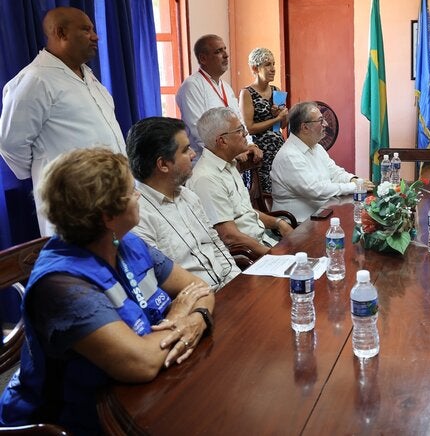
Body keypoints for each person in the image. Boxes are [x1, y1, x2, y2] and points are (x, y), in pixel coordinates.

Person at [0, 148, 215, 433]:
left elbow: (199, 288)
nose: (138, 195)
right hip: (68, 422)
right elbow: (142, 363)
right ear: (107, 215)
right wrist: (180, 315)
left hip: (147, 393)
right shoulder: (61, 286)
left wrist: (195, 318)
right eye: (130, 192)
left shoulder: (126, 243)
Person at [0, 6, 125, 235]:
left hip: (112, 196)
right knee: (80, 267)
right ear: (61, 33)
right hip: (71, 202)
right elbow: (10, 145)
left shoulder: (89, 76)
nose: (95, 36)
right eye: (86, 30)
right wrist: (49, 170)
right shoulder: (35, 80)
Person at [126, 117, 239, 289]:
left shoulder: (188, 196)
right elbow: (158, 284)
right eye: (186, 150)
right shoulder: (138, 217)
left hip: (228, 289)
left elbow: (216, 246)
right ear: (163, 164)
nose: (194, 154)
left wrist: (237, 283)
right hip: (198, 304)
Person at [187, 107, 293, 256]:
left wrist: (278, 223)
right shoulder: (206, 178)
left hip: (264, 239)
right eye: (239, 130)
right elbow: (229, 236)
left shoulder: (229, 164)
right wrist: (272, 255)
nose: (246, 134)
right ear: (222, 141)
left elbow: (244, 211)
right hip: (249, 254)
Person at [270, 102, 375, 222]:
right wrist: (355, 187)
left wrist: (353, 180)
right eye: (320, 121)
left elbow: (334, 172)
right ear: (305, 127)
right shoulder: (289, 156)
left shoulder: (316, 147)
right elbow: (316, 190)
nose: (326, 124)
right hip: (297, 224)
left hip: (321, 214)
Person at [177, 34, 253, 157]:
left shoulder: (226, 87)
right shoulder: (192, 86)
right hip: (207, 161)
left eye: (225, 49)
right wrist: (228, 153)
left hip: (230, 158)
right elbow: (198, 129)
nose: (226, 55)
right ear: (203, 59)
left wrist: (249, 144)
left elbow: (239, 121)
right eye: (218, 51)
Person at [239, 47, 288, 193]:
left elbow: (283, 125)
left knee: (280, 190)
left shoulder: (276, 90)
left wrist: (284, 115)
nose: (273, 69)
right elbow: (250, 127)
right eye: (267, 65)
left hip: (278, 148)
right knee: (262, 193)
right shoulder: (247, 93)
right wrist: (276, 119)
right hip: (260, 152)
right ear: (255, 68)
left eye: (273, 64)